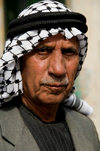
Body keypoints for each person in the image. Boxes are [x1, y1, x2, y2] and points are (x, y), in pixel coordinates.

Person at [0, 0, 100, 150]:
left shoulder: (86, 127)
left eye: (68, 52)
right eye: (43, 51)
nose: (58, 69)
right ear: (18, 61)